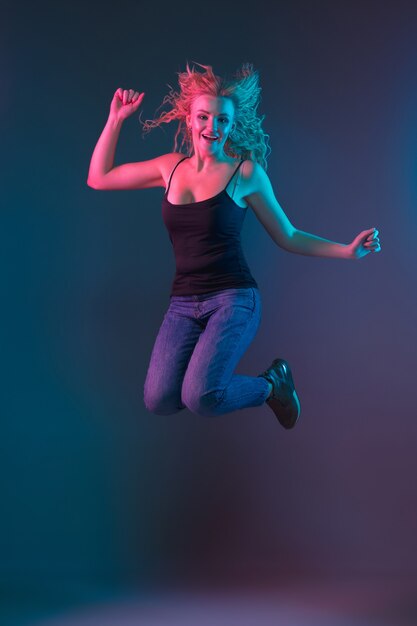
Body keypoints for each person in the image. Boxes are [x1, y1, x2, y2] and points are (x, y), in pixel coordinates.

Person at [87, 61, 381, 430]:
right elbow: (99, 178)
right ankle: (263, 385)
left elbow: (287, 235)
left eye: (222, 120)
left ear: (231, 125)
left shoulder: (245, 174)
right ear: (190, 120)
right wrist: (116, 120)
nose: (213, 128)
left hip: (233, 298)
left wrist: (347, 250)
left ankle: (272, 385)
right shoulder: (170, 168)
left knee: (201, 397)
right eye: (204, 117)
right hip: (183, 304)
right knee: (159, 399)